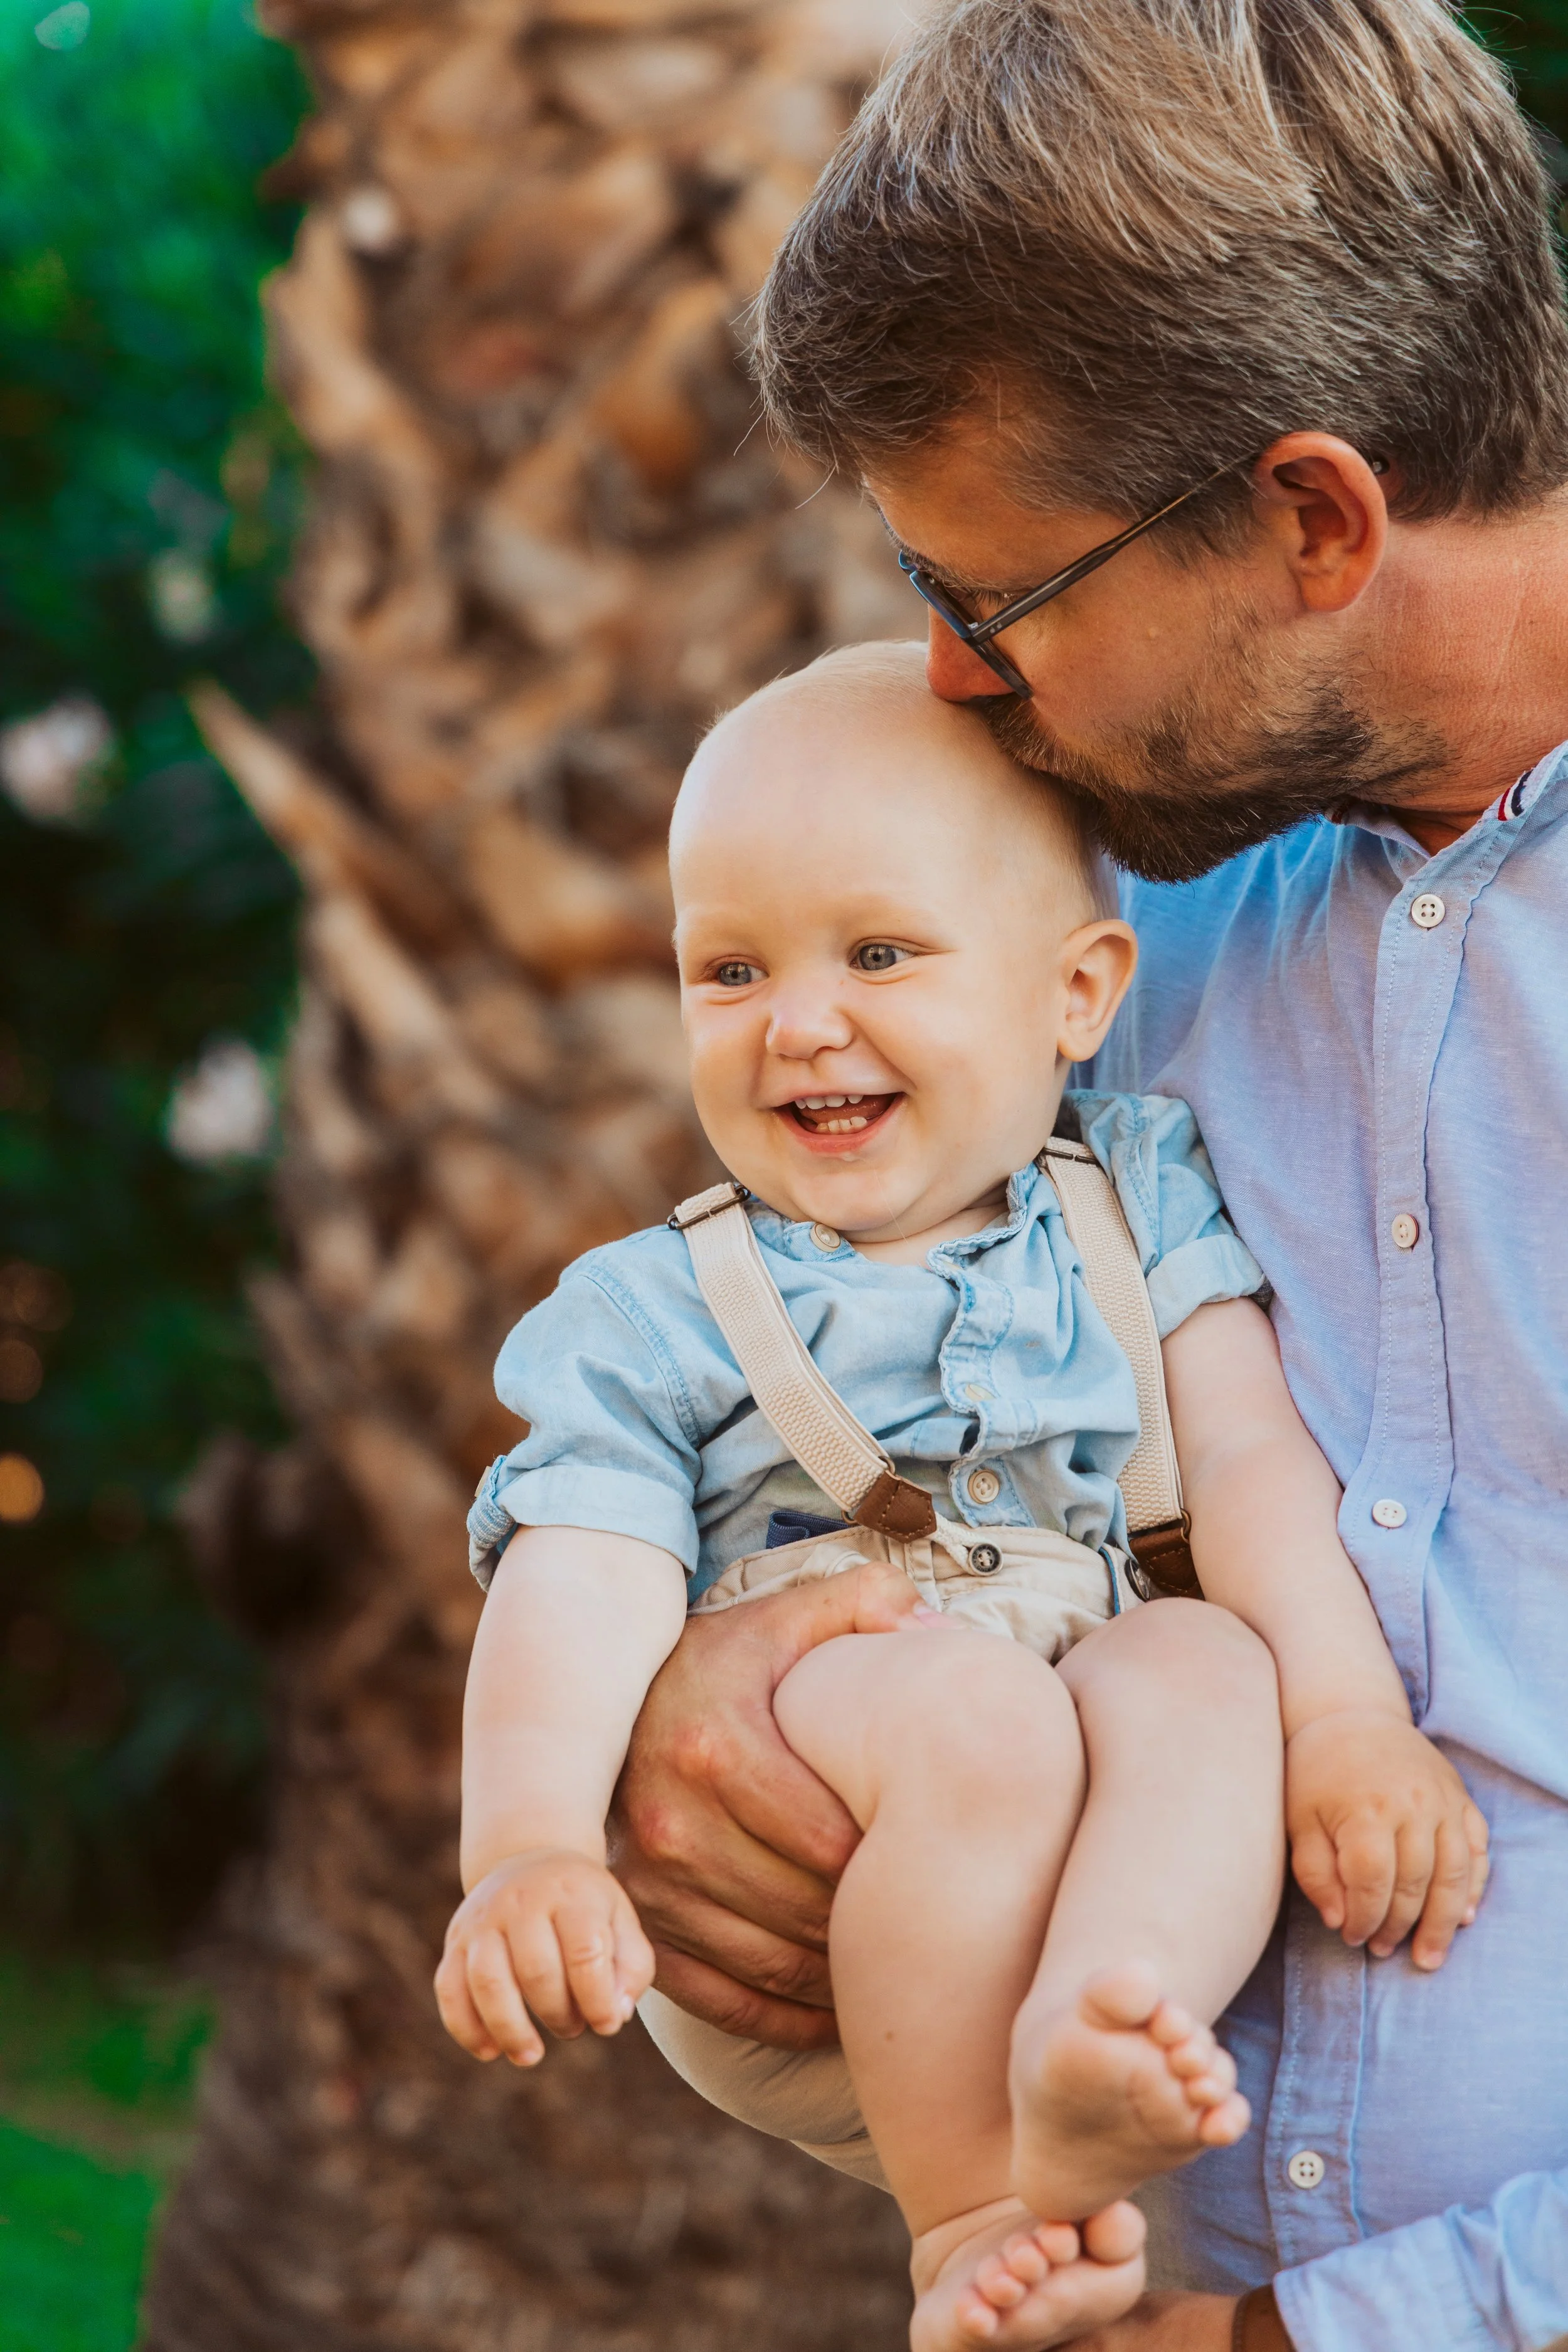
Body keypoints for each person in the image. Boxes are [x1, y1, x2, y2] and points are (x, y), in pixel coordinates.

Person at [607, 3, 1568, 2348]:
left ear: (1312, 517)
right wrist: (706, 1679)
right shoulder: (1092, 929)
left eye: (993, 598)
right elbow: (825, 1389)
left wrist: (1315, 2334)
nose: (943, 677)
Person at [437, 648, 1483, 2352]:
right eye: (729, 967)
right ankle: (974, 2217)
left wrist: (1348, 1720)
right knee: (968, 1711)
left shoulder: (1135, 1194)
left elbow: (1241, 1462)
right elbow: (581, 1564)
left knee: (1207, 1662)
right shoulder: (661, 1303)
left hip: (1049, 1843)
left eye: (876, 952)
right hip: (819, 1881)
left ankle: (1098, 2027)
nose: (797, 1019)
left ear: (1074, 995)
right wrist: (530, 1846)